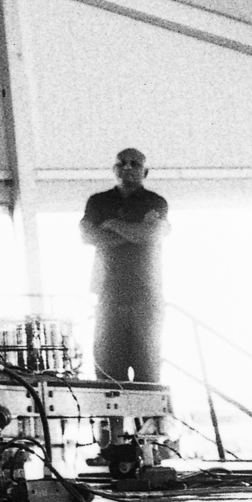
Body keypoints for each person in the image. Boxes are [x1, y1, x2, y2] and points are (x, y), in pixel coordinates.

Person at [80, 147, 170, 385]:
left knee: (147, 370)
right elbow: (88, 236)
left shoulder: (156, 202)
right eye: (122, 163)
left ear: (145, 171)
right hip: (108, 295)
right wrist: (136, 231)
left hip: (146, 295)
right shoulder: (98, 201)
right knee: (108, 371)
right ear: (114, 169)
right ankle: (113, 423)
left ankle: (150, 423)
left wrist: (111, 224)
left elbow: (152, 236)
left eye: (135, 163)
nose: (128, 168)